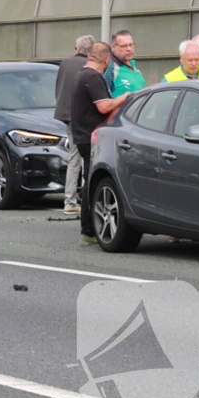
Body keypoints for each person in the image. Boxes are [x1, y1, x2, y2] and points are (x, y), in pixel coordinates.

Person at [71, 42, 129, 246]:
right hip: (91, 137)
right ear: (106, 60)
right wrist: (125, 97)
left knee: (89, 182)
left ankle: (89, 229)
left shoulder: (81, 74)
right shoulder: (92, 77)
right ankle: (88, 230)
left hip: (82, 135)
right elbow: (104, 107)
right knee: (92, 184)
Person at [54, 34, 94, 216]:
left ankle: (70, 199)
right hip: (84, 117)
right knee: (86, 158)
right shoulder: (90, 67)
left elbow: (58, 88)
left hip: (66, 114)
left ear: (77, 48)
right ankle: (82, 199)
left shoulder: (65, 62)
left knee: (74, 158)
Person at [102, 30, 145, 97]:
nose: (129, 49)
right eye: (124, 46)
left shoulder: (132, 64)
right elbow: (102, 99)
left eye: (131, 45)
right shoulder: (110, 67)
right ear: (114, 46)